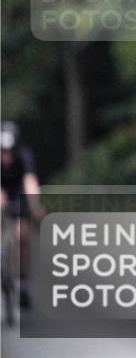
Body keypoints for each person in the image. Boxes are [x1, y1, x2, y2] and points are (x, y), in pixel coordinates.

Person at [0, 121, 43, 309]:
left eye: (9, 152)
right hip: (2, 194)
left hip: (19, 197)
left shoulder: (24, 156)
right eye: (3, 152)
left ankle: (23, 281)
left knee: (21, 236)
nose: (6, 156)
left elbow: (30, 181)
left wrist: (35, 206)